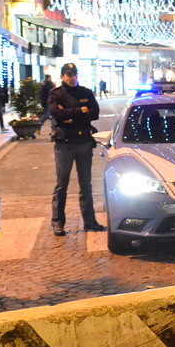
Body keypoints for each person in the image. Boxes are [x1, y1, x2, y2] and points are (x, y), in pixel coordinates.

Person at [47, 63, 104, 236]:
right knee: (62, 184)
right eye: (69, 75)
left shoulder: (86, 92)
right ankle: (58, 222)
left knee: (86, 183)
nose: (73, 78)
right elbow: (56, 114)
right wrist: (80, 111)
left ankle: (90, 221)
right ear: (62, 76)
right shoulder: (56, 94)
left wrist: (70, 115)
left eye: (75, 74)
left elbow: (95, 114)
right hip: (65, 143)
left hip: (84, 142)